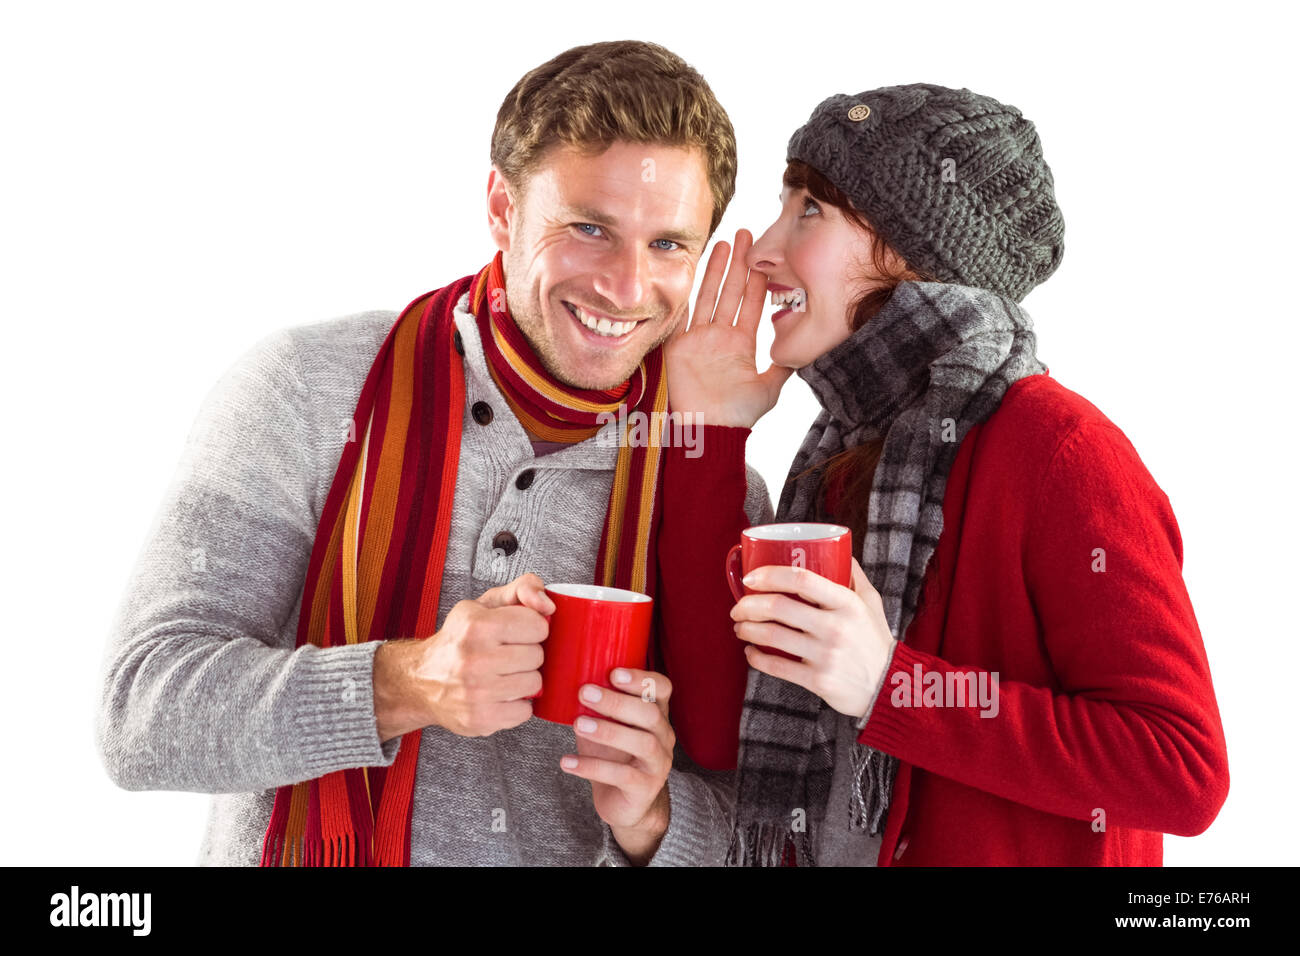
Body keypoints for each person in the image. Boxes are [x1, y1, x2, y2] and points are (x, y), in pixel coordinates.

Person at [94, 40, 774, 867]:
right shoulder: (310, 391)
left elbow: (760, 828)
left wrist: (655, 822)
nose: (627, 288)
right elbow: (141, 720)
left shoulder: (714, 490)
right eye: (590, 229)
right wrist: (401, 684)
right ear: (501, 207)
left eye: (668, 245)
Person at [664, 83, 1230, 865]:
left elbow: (1182, 770)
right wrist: (706, 439)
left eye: (811, 211)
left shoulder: (1060, 449)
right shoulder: (838, 452)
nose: (763, 248)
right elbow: (720, 731)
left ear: (914, 252)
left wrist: (893, 688)